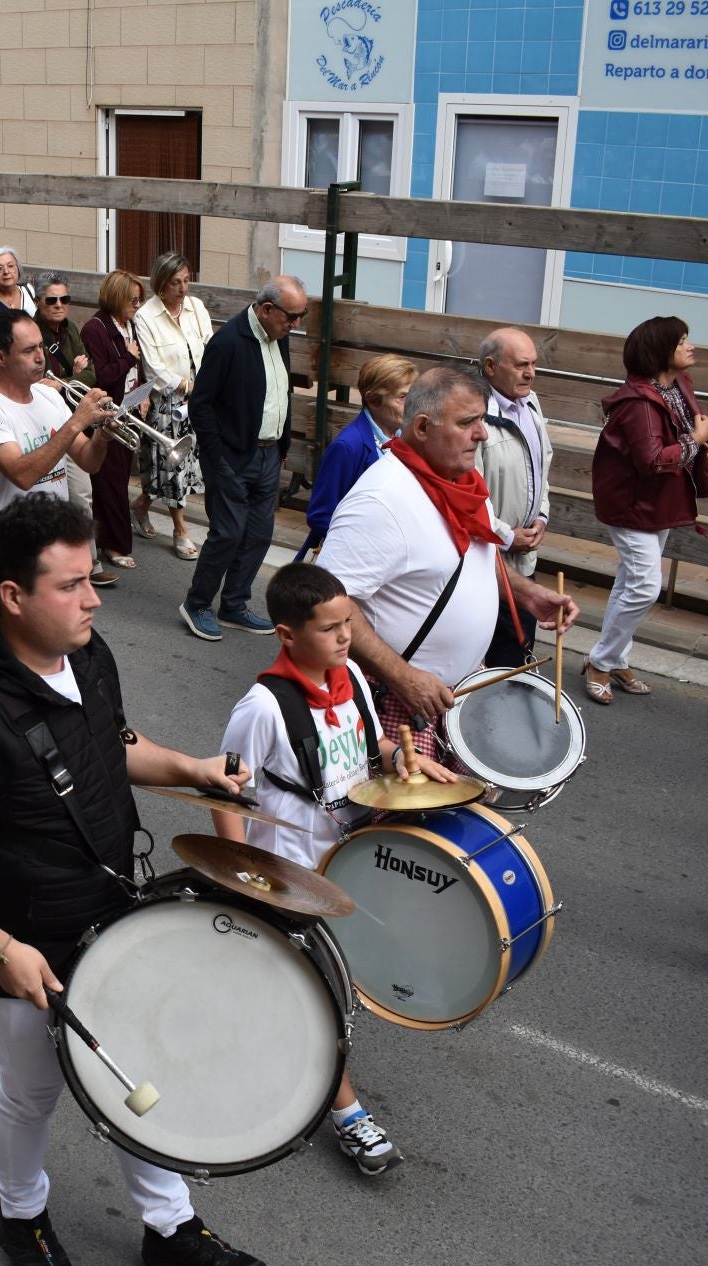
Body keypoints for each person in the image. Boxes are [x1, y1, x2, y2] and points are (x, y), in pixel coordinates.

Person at [0, 494, 270, 1266]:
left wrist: (189, 768)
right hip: (23, 944)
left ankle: (169, 1227)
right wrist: (0, 948)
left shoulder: (87, 653)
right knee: (32, 1095)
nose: (93, 598)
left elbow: (109, 742)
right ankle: (20, 1219)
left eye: (92, 579)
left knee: (139, 1075)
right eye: (72, 584)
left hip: (112, 915)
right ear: (13, 597)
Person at [212, 562, 458, 1175]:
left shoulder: (350, 677)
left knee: (314, 984)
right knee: (319, 995)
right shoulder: (263, 706)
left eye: (348, 623)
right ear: (287, 635)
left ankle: (242, 1017)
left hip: (348, 860)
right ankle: (349, 1114)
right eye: (329, 628)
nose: (345, 637)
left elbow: (367, 749)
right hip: (292, 870)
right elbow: (225, 790)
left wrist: (405, 762)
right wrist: (242, 875)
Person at [316, 367, 578, 759]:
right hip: (398, 700)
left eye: (482, 420)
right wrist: (403, 677)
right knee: (399, 820)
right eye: (467, 422)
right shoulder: (381, 501)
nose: (483, 433)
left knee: (461, 815)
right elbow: (328, 601)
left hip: (458, 694)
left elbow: (470, 555)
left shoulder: (464, 482)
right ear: (422, 427)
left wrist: (525, 593)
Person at [584, 316, 708, 707]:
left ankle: (615, 658)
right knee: (645, 586)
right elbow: (653, 460)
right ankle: (600, 662)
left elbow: (681, 436)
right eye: (682, 341)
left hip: (654, 502)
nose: (690, 346)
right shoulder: (640, 403)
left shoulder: (674, 388)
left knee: (630, 582)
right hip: (633, 504)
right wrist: (694, 439)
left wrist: (703, 436)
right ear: (661, 353)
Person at [178, 276, 306, 643]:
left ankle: (233, 604)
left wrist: (281, 446)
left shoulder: (279, 337)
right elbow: (201, 405)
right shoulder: (228, 342)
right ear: (267, 310)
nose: (296, 324)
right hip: (233, 457)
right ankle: (197, 602)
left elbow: (281, 393)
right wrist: (218, 458)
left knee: (259, 534)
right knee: (228, 533)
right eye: (292, 316)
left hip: (268, 456)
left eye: (302, 316)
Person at [0, 310, 111, 520]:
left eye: (40, 346)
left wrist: (102, 435)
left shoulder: (48, 395)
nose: (40, 358)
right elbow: (23, 475)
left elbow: (88, 461)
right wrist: (76, 422)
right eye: (28, 351)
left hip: (56, 528)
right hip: (13, 535)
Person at [474, 327, 553, 666]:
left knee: (518, 654)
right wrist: (506, 537)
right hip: (487, 559)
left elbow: (542, 468)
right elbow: (468, 491)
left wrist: (542, 517)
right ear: (491, 366)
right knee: (494, 661)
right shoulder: (474, 414)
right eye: (521, 365)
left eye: (533, 364)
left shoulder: (530, 404)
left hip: (524, 558)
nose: (530, 373)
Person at [134, 253, 210, 558]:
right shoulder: (146, 316)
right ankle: (180, 529)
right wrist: (188, 387)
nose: (183, 288)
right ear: (160, 284)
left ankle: (141, 505)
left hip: (202, 396)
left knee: (184, 467)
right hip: (169, 400)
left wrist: (204, 387)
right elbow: (154, 369)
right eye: (175, 282)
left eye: (186, 280)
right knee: (174, 466)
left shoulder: (197, 308)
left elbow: (210, 346)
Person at [300, 353, 414, 553]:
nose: (412, 404)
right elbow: (320, 514)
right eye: (403, 397)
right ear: (373, 399)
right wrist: (368, 545)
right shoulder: (347, 447)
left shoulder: (405, 436)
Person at [80, 269, 152, 569]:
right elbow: (103, 374)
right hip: (107, 413)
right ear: (116, 297)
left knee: (120, 477)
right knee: (110, 482)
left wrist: (145, 393)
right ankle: (114, 544)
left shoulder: (129, 325)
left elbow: (138, 368)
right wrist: (129, 357)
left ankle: (106, 537)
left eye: (139, 300)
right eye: (132, 300)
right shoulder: (95, 328)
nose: (137, 306)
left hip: (131, 409)